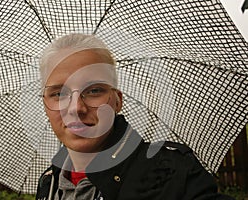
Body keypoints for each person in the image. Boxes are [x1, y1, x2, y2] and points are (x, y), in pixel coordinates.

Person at [36, 33, 233, 200]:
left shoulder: (171, 173)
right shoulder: (48, 183)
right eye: (58, 93)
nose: (77, 108)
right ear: (45, 103)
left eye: (94, 90)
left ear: (117, 101)